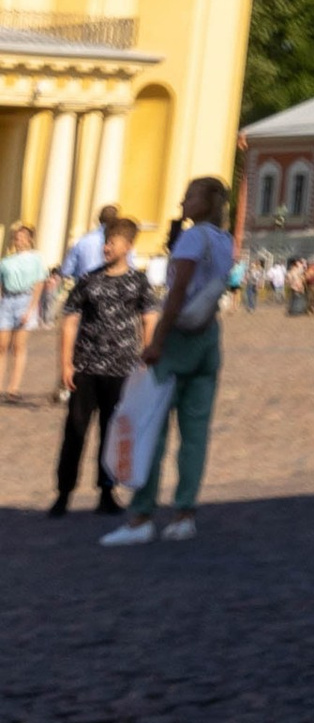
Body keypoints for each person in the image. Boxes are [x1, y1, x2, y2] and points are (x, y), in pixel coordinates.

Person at [102, 174, 235, 547]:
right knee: (195, 433)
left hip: (178, 337)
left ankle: (142, 515)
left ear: (206, 203)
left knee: (153, 425)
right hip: (209, 337)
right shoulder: (225, 240)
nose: (182, 203)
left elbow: (177, 292)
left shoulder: (193, 237)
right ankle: (184, 514)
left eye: (190, 196)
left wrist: (157, 339)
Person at [51, 210, 149, 515]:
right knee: (76, 430)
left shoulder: (138, 282)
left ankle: (107, 491)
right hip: (87, 367)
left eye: (114, 243)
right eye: (106, 242)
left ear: (128, 246)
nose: (107, 248)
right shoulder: (88, 280)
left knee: (113, 432)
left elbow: (149, 319)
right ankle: (64, 493)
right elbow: (69, 321)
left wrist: (145, 358)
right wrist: (66, 364)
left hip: (121, 369)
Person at [0, 217, 43, 401]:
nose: (19, 240)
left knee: (18, 346)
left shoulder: (36, 259)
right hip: (7, 301)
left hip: (25, 300)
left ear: (30, 239)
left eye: (23, 237)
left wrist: (31, 309)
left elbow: (39, 284)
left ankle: (13, 388)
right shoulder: (6, 261)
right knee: (2, 346)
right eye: (17, 237)